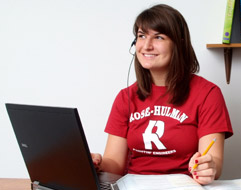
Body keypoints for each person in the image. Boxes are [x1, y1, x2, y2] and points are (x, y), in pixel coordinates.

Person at [92, 4, 233, 185]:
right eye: (142, 36)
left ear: (179, 44)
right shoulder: (125, 97)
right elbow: (115, 165)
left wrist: (208, 166)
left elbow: (214, 160)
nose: (147, 46)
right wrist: (97, 163)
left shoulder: (208, 94)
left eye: (158, 37)